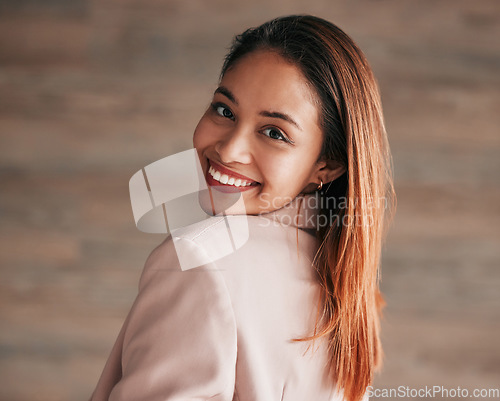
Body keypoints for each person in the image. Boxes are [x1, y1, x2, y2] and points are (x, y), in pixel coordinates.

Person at [90, 15, 395, 401]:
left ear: (326, 166)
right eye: (224, 111)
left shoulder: (200, 259)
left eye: (274, 133)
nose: (229, 149)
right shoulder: (344, 283)